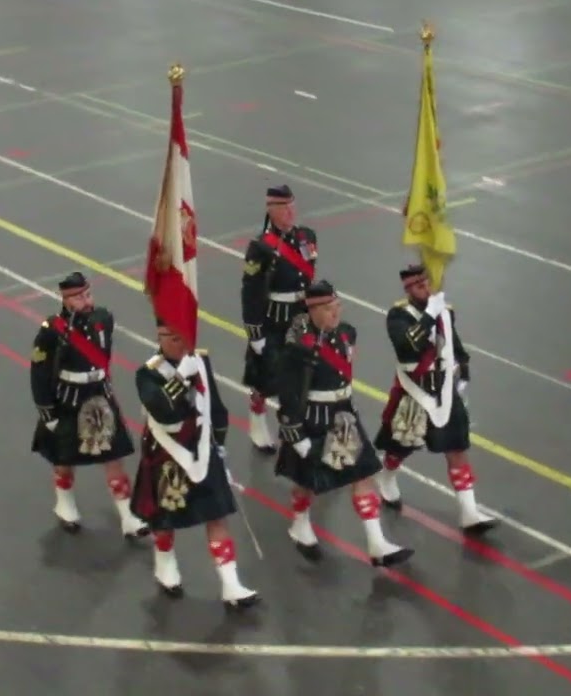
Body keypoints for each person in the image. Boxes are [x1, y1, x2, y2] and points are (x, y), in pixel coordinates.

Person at [274, 280, 413, 567]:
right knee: (306, 481)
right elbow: (288, 394)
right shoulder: (298, 349)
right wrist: (296, 436)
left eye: (336, 306)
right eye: (327, 308)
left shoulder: (347, 334)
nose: (335, 312)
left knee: (361, 475)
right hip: (315, 417)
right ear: (311, 310)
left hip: (343, 415)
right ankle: (299, 523)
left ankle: (376, 543)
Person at [129, 320, 260, 611]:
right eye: (172, 337)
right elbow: (162, 411)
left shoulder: (200, 362)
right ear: (159, 338)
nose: (179, 343)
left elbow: (215, 407)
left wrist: (221, 446)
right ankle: (165, 565)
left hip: (201, 448)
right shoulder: (147, 374)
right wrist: (179, 380)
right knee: (164, 518)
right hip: (167, 452)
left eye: (182, 336)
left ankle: (230, 583)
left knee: (217, 515)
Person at [372, 264, 496, 535]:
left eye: (427, 282)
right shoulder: (398, 316)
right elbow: (409, 345)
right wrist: (429, 314)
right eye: (418, 285)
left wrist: (462, 372)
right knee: (401, 445)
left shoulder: (444, 312)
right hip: (415, 392)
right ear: (407, 290)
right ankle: (387, 476)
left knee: (457, 448)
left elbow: (456, 347)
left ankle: (468, 511)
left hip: (444, 391)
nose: (425, 288)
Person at [30, 272, 150, 538]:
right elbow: (39, 371)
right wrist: (46, 409)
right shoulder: (52, 331)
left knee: (113, 457)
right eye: (79, 297)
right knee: (64, 457)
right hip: (68, 398)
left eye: (87, 294)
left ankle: (127, 516)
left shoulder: (103, 319)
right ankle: (64, 503)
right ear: (66, 300)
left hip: (97, 395)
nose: (86, 301)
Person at [240, 184, 318, 453]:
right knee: (266, 377)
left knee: (300, 376)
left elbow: (308, 278)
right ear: (271, 210)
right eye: (283, 207)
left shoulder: (307, 237)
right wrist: (255, 333)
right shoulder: (260, 248)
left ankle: (292, 429)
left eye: (292, 205)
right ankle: (257, 414)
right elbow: (250, 292)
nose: (290, 212)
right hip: (274, 320)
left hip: (301, 319)